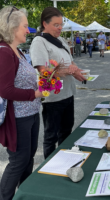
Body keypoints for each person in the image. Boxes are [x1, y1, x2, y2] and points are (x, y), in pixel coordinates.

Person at [30, 7, 86, 159]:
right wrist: (69, 70)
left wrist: (77, 73)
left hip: (68, 94)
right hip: (53, 99)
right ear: (45, 24)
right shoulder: (38, 42)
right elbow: (44, 72)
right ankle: (49, 166)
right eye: (56, 25)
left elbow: (70, 62)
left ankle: (64, 161)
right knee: (51, 137)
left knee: (66, 132)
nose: (60, 28)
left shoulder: (61, 40)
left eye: (61, 24)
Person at [0, 6, 43, 200]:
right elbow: (5, 90)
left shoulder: (18, 51)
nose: (28, 30)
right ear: (12, 28)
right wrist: (35, 93)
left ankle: (24, 196)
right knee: (18, 161)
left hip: (31, 115)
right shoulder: (4, 52)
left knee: (27, 160)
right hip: (18, 118)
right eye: (25, 26)